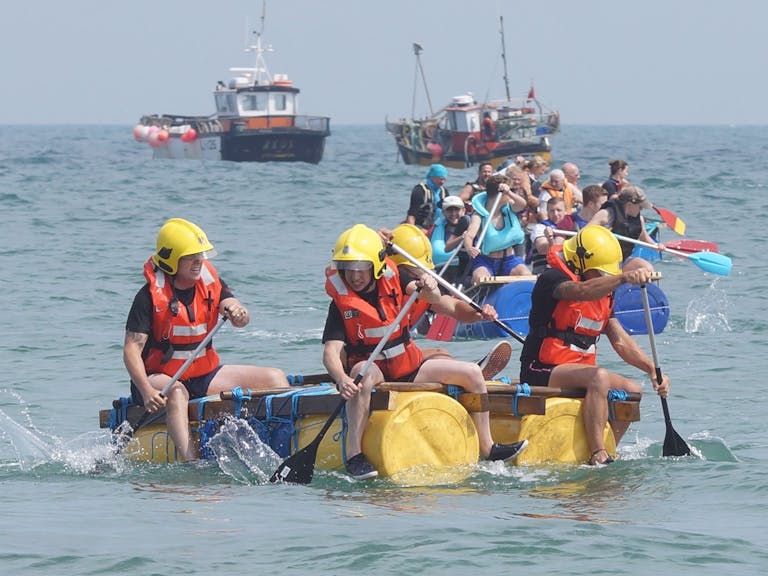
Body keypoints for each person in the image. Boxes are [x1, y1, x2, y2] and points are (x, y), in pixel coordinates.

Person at [322, 224, 528, 479]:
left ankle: (487, 447)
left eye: (361, 268)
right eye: (349, 270)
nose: (355, 277)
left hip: (408, 366)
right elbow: (330, 352)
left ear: (374, 265)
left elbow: (438, 300)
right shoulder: (340, 305)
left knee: (473, 374)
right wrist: (342, 380)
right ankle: (354, 454)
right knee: (358, 372)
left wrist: (476, 312)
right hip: (372, 368)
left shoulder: (398, 279)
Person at [123, 218, 288, 462]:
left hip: (202, 375)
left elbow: (233, 308)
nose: (199, 261)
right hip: (159, 379)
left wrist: (238, 311)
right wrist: (146, 391)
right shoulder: (148, 297)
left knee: (274, 377)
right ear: (172, 261)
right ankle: (192, 462)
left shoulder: (210, 282)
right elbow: (131, 350)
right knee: (178, 393)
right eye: (191, 257)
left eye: (201, 255)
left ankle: (282, 443)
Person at [519, 225, 670, 465]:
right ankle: (597, 454)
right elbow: (581, 291)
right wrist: (621, 278)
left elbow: (620, 340)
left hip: (579, 371)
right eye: (600, 273)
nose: (604, 278)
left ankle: (610, 448)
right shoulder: (551, 280)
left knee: (633, 391)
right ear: (579, 262)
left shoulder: (604, 294)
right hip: (541, 369)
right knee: (598, 377)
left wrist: (652, 370)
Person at [464, 174, 530, 284]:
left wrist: (509, 192)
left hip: (509, 259)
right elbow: (469, 235)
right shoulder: (479, 215)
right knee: (480, 278)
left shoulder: (510, 206)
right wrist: (469, 248)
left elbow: (523, 204)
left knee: (526, 275)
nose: (511, 193)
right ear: (500, 194)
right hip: (486, 261)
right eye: (510, 189)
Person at [588, 185, 662, 272]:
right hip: (603, 260)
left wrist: (656, 246)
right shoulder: (606, 214)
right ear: (629, 204)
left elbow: (644, 237)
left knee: (648, 269)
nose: (641, 209)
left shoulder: (639, 219)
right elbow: (586, 232)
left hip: (623, 259)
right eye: (640, 207)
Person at [429, 195, 471, 286]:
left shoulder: (471, 225)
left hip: (466, 266)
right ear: (443, 212)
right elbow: (439, 253)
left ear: (463, 211)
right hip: (446, 267)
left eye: (457, 210)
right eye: (449, 210)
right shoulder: (440, 227)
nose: (453, 214)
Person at [528, 197, 576, 274]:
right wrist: (550, 239)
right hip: (544, 271)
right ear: (547, 212)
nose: (555, 214)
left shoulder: (573, 226)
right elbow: (542, 250)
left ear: (565, 211)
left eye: (559, 210)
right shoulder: (540, 227)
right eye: (552, 211)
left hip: (568, 271)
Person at [405, 163, 448, 232]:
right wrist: (414, 232)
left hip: (437, 227)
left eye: (444, 179)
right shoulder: (419, 190)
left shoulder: (444, 192)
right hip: (420, 227)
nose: (442, 182)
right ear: (432, 177)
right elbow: (411, 215)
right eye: (440, 179)